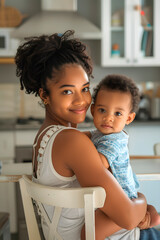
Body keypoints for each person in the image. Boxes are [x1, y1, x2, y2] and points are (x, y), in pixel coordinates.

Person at [15, 30, 160, 240]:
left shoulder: (44, 137)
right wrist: (142, 200)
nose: (81, 101)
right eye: (67, 91)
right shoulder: (70, 141)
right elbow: (128, 217)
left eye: (84, 89)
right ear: (44, 95)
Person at [85, 74, 160, 231]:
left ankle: (144, 217)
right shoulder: (100, 133)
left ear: (129, 118)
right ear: (93, 110)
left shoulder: (115, 140)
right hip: (116, 195)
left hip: (123, 199)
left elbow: (98, 164)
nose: (108, 118)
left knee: (92, 231)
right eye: (102, 110)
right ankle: (147, 213)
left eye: (117, 113)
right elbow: (82, 137)